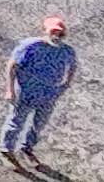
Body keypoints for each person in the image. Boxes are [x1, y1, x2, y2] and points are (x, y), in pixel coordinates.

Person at [10, 13, 78, 169]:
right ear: (45, 30)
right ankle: (6, 150)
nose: (56, 35)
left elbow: (73, 66)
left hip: (48, 94)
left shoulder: (67, 51)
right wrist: (10, 89)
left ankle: (26, 148)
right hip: (27, 91)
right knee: (16, 121)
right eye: (53, 31)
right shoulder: (31, 45)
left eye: (60, 32)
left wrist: (65, 84)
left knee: (39, 124)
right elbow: (12, 65)